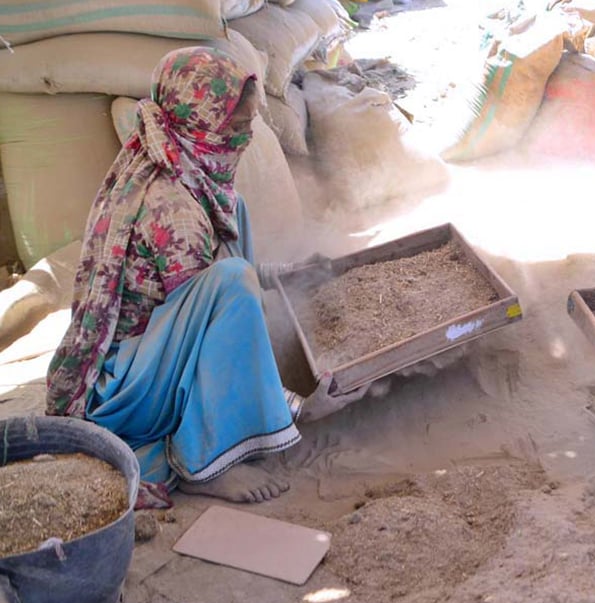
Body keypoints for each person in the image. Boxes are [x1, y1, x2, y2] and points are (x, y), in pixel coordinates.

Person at [44, 47, 365, 507]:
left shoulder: (181, 170)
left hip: (156, 346)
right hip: (128, 387)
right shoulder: (174, 212)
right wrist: (296, 404)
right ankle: (203, 461)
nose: (245, 139)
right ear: (198, 124)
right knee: (233, 282)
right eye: (235, 129)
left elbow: (204, 295)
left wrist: (285, 275)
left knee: (235, 226)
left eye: (249, 125)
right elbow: (210, 339)